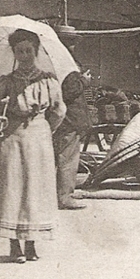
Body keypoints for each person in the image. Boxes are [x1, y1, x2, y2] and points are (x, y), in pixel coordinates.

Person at [0, 29, 66, 263]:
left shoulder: (48, 81)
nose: (25, 55)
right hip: (13, 138)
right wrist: (2, 117)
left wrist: (44, 128)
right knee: (13, 188)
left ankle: (31, 245)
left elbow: (58, 111)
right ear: (15, 53)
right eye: (20, 51)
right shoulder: (6, 82)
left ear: (36, 51)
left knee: (35, 190)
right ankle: (14, 246)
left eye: (29, 50)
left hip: (39, 138)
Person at [53, 70, 91, 210]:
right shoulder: (67, 71)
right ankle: (64, 198)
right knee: (68, 160)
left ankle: (59, 195)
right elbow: (68, 93)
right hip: (70, 122)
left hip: (64, 121)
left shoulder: (57, 70)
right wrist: (84, 81)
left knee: (61, 159)